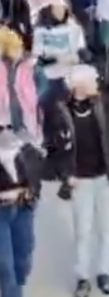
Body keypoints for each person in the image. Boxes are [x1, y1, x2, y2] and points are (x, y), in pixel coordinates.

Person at [41, 65, 109, 297]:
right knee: (83, 231)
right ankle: (82, 277)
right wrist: (65, 175)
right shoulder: (60, 111)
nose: (97, 84)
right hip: (80, 180)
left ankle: (104, 273)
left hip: (104, 177)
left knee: (106, 229)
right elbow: (53, 148)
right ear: (80, 86)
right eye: (93, 80)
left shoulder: (103, 105)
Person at [0, 122, 43, 297]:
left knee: (22, 261)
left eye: (10, 127)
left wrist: (30, 193)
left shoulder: (26, 151)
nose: (5, 132)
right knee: (5, 264)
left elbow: (37, 180)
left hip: (23, 210)